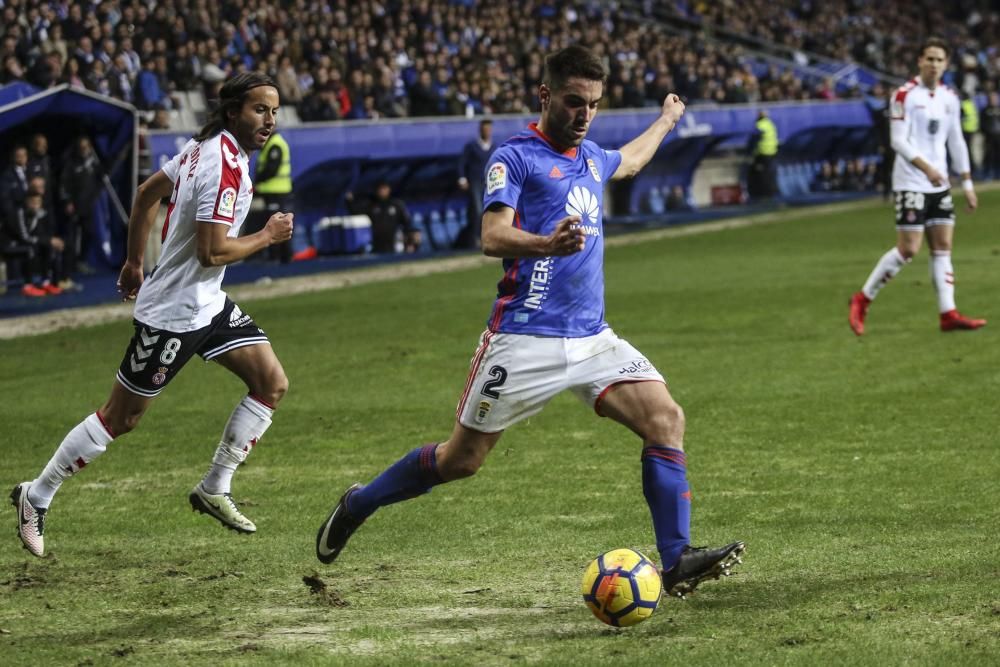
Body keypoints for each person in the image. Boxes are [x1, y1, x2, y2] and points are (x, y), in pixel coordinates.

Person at [316, 44, 745, 599]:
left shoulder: (592, 157)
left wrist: (666, 119)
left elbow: (632, 159)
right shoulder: (513, 157)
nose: (584, 114)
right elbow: (491, 235)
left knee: (665, 419)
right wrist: (545, 243)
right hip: (522, 339)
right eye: (573, 101)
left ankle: (677, 558)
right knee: (461, 461)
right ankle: (361, 502)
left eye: (593, 104)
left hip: (593, 339)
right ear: (545, 95)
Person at [11, 72, 293, 558]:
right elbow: (212, 252)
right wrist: (268, 236)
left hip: (208, 305)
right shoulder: (221, 165)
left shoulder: (203, 148)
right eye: (259, 110)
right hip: (173, 317)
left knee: (271, 382)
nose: (269, 120)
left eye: (273, 110)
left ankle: (214, 487)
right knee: (121, 418)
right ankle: (34, 497)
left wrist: (134, 262)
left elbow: (145, 193)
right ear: (233, 113)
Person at [849, 38, 985, 336]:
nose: (934, 64)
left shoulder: (950, 97)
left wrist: (968, 183)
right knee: (909, 249)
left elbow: (956, 140)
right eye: (929, 59)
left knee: (943, 247)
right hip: (912, 181)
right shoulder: (904, 95)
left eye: (940, 60)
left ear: (946, 65)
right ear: (919, 61)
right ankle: (862, 298)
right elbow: (898, 140)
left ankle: (948, 313)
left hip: (939, 184)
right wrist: (928, 169)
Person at [58, 136, 102, 275]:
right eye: (82, 147)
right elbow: (63, 184)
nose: (84, 150)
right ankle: (69, 266)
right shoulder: (71, 163)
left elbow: (102, 175)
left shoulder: (93, 162)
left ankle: (81, 261)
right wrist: (67, 202)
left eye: (86, 147)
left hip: (88, 206)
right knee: (72, 237)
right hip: (75, 206)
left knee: (89, 233)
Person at [251, 129, 294, 263]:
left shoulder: (276, 144)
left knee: (278, 224)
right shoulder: (272, 144)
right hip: (272, 192)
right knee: (275, 224)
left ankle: (280, 257)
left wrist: (258, 182)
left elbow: (271, 169)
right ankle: (279, 257)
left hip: (277, 192)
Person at [346, 181, 421, 254]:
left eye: (384, 188)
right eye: (380, 189)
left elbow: (407, 223)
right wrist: (349, 201)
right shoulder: (371, 205)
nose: (382, 191)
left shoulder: (396, 204)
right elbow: (355, 211)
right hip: (377, 244)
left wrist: (411, 242)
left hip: (394, 244)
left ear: (389, 189)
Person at [454, 119, 495, 249]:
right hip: (475, 182)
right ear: (480, 130)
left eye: (489, 128)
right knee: (477, 210)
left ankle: (489, 238)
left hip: (490, 183)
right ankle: (476, 238)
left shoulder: (494, 147)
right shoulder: (472, 146)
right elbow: (462, 163)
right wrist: (462, 178)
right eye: (484, 129)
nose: (487, 131)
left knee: (491, 211)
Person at [747, 109, 778, 200]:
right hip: (772, 151)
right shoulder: (770, 124)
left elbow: (754, 139)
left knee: (760, 173)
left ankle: (763, 192)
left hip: (763, 152)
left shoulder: (759, 125)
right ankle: (770, 192)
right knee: (769, 173)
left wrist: (750, 151)